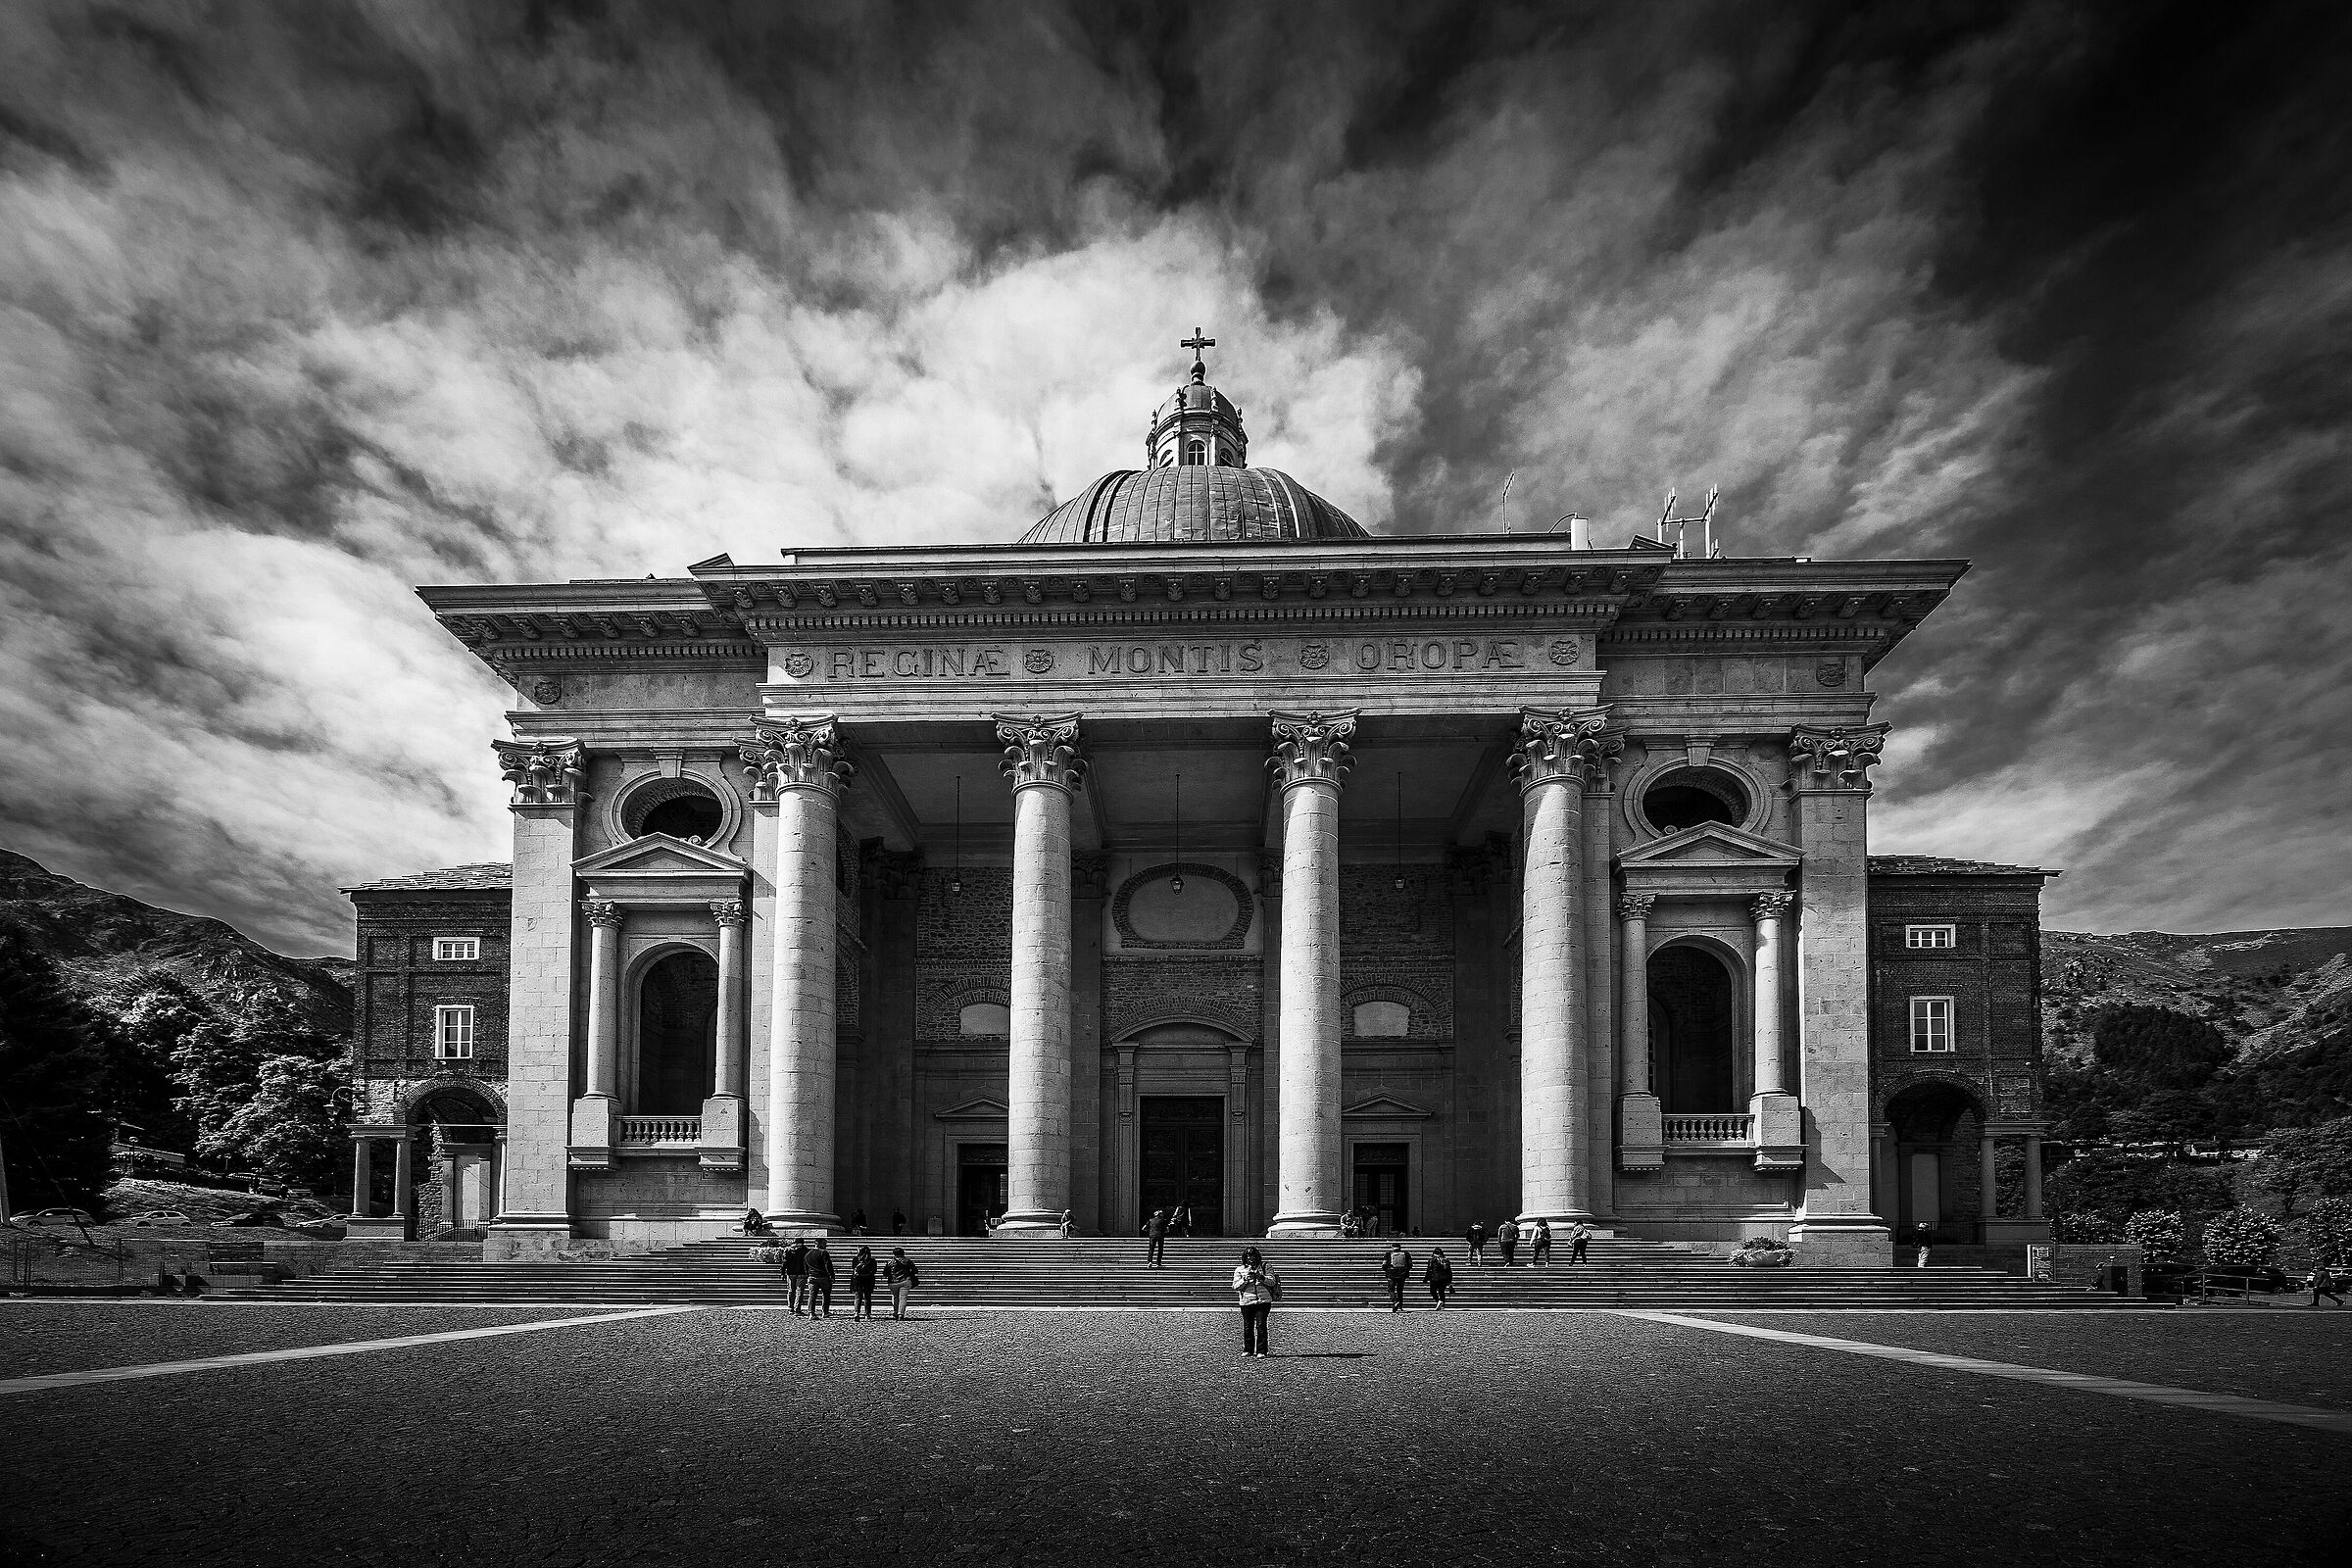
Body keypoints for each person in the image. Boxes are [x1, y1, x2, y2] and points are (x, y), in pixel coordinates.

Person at [1233, 1246, 1282, 1358]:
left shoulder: (1266, 1267)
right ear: (1245, 1258)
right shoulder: (1239, 1270)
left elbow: (1272, 1282)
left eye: (1253, 1257)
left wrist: (1260, 1277)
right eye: (1249, 1258)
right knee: (1248, 1326)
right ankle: (1248, 1349)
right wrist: (1244, 1280)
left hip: (1263, 1300)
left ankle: (1262, 1351)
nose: (1251, 1260)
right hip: (1246, 1301)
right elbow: (1235, 1286)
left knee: (1261, 1325)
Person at [886, 1248, 921, 1319]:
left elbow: (885, 1273)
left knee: (895, 1297)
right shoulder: (907, 1261)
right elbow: (915, 1271)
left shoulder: (890, 1262)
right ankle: (900, 1314)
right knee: (903, 1298)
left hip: (893, 1282)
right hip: (905, 1280)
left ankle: (895, 1311)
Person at [1381, 1240, 1413, 1312]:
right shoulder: (1406, 1254)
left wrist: (1387, 1270)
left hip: (1391, 1274)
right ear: (1400, 1247)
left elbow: (1384, 1265)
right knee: (1400, 1290)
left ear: (1392, 1247)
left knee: (1391, 1289)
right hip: (1402, 1274)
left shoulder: (1388, 1254)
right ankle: (1401, 1306)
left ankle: (1395, 1301)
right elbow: (1410, 1264)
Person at [808, 1238, 837, 1317]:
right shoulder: (824, 1252)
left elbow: (806, 1266)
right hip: (823, 1276)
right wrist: (832, 1276)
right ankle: (825, 1311)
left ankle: (811, 1312)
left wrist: (808, 1274)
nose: (826, 1245)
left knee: (812, 1295)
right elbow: (828, 1265)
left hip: (812, 1276)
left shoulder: (808, 1253)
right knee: (826, 1294)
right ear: (818, 1243)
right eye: (824, 1243)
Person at [782, 1238, 811, 1315]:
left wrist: (782, 1272)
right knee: (799, 1292)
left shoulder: (788, 1250)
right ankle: (797, 1309)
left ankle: (791, 1308)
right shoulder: (806, 1251)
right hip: (802, 1273)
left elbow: (785, 1262)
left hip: (791, 1273)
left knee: (791, 1291)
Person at [849, 1245, 878, 1319]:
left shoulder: (855, 1259)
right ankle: (867, 1314)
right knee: (867, 1298)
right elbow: (874, 1271)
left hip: (857, 1280)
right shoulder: (872, 1261)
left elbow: (854, 1269)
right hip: (868, 1280)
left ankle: (856, 1313)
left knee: (858, 1297)